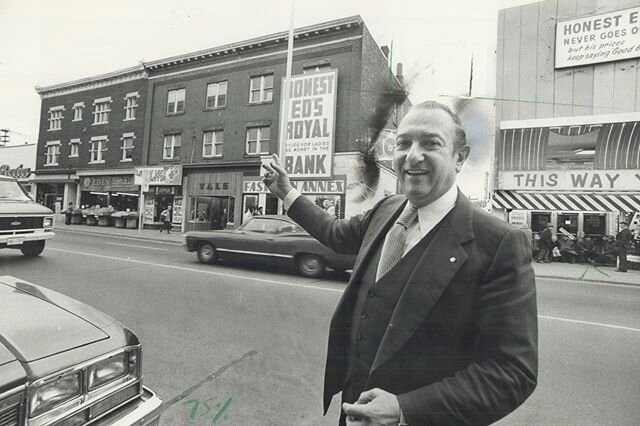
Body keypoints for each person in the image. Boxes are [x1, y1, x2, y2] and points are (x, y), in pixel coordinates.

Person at [262, 101, 538, 425]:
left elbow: (511, 372)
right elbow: (335, 233)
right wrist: (287, 192)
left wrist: (406, 409)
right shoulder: (386, 210)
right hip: (353, 413)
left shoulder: (499, 242)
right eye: (404, 143)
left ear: (459, 157)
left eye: (431, 143)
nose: (413, 155)